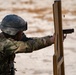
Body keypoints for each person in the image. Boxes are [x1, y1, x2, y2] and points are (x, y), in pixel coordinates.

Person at [0, 14, 64, 75]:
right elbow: (29, 45)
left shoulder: (5, 37)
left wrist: (50, 38)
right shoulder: (6, 44)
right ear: (14, 33)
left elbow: (29, 41)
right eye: (21, 32)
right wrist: (50, 40)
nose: (22, 34)